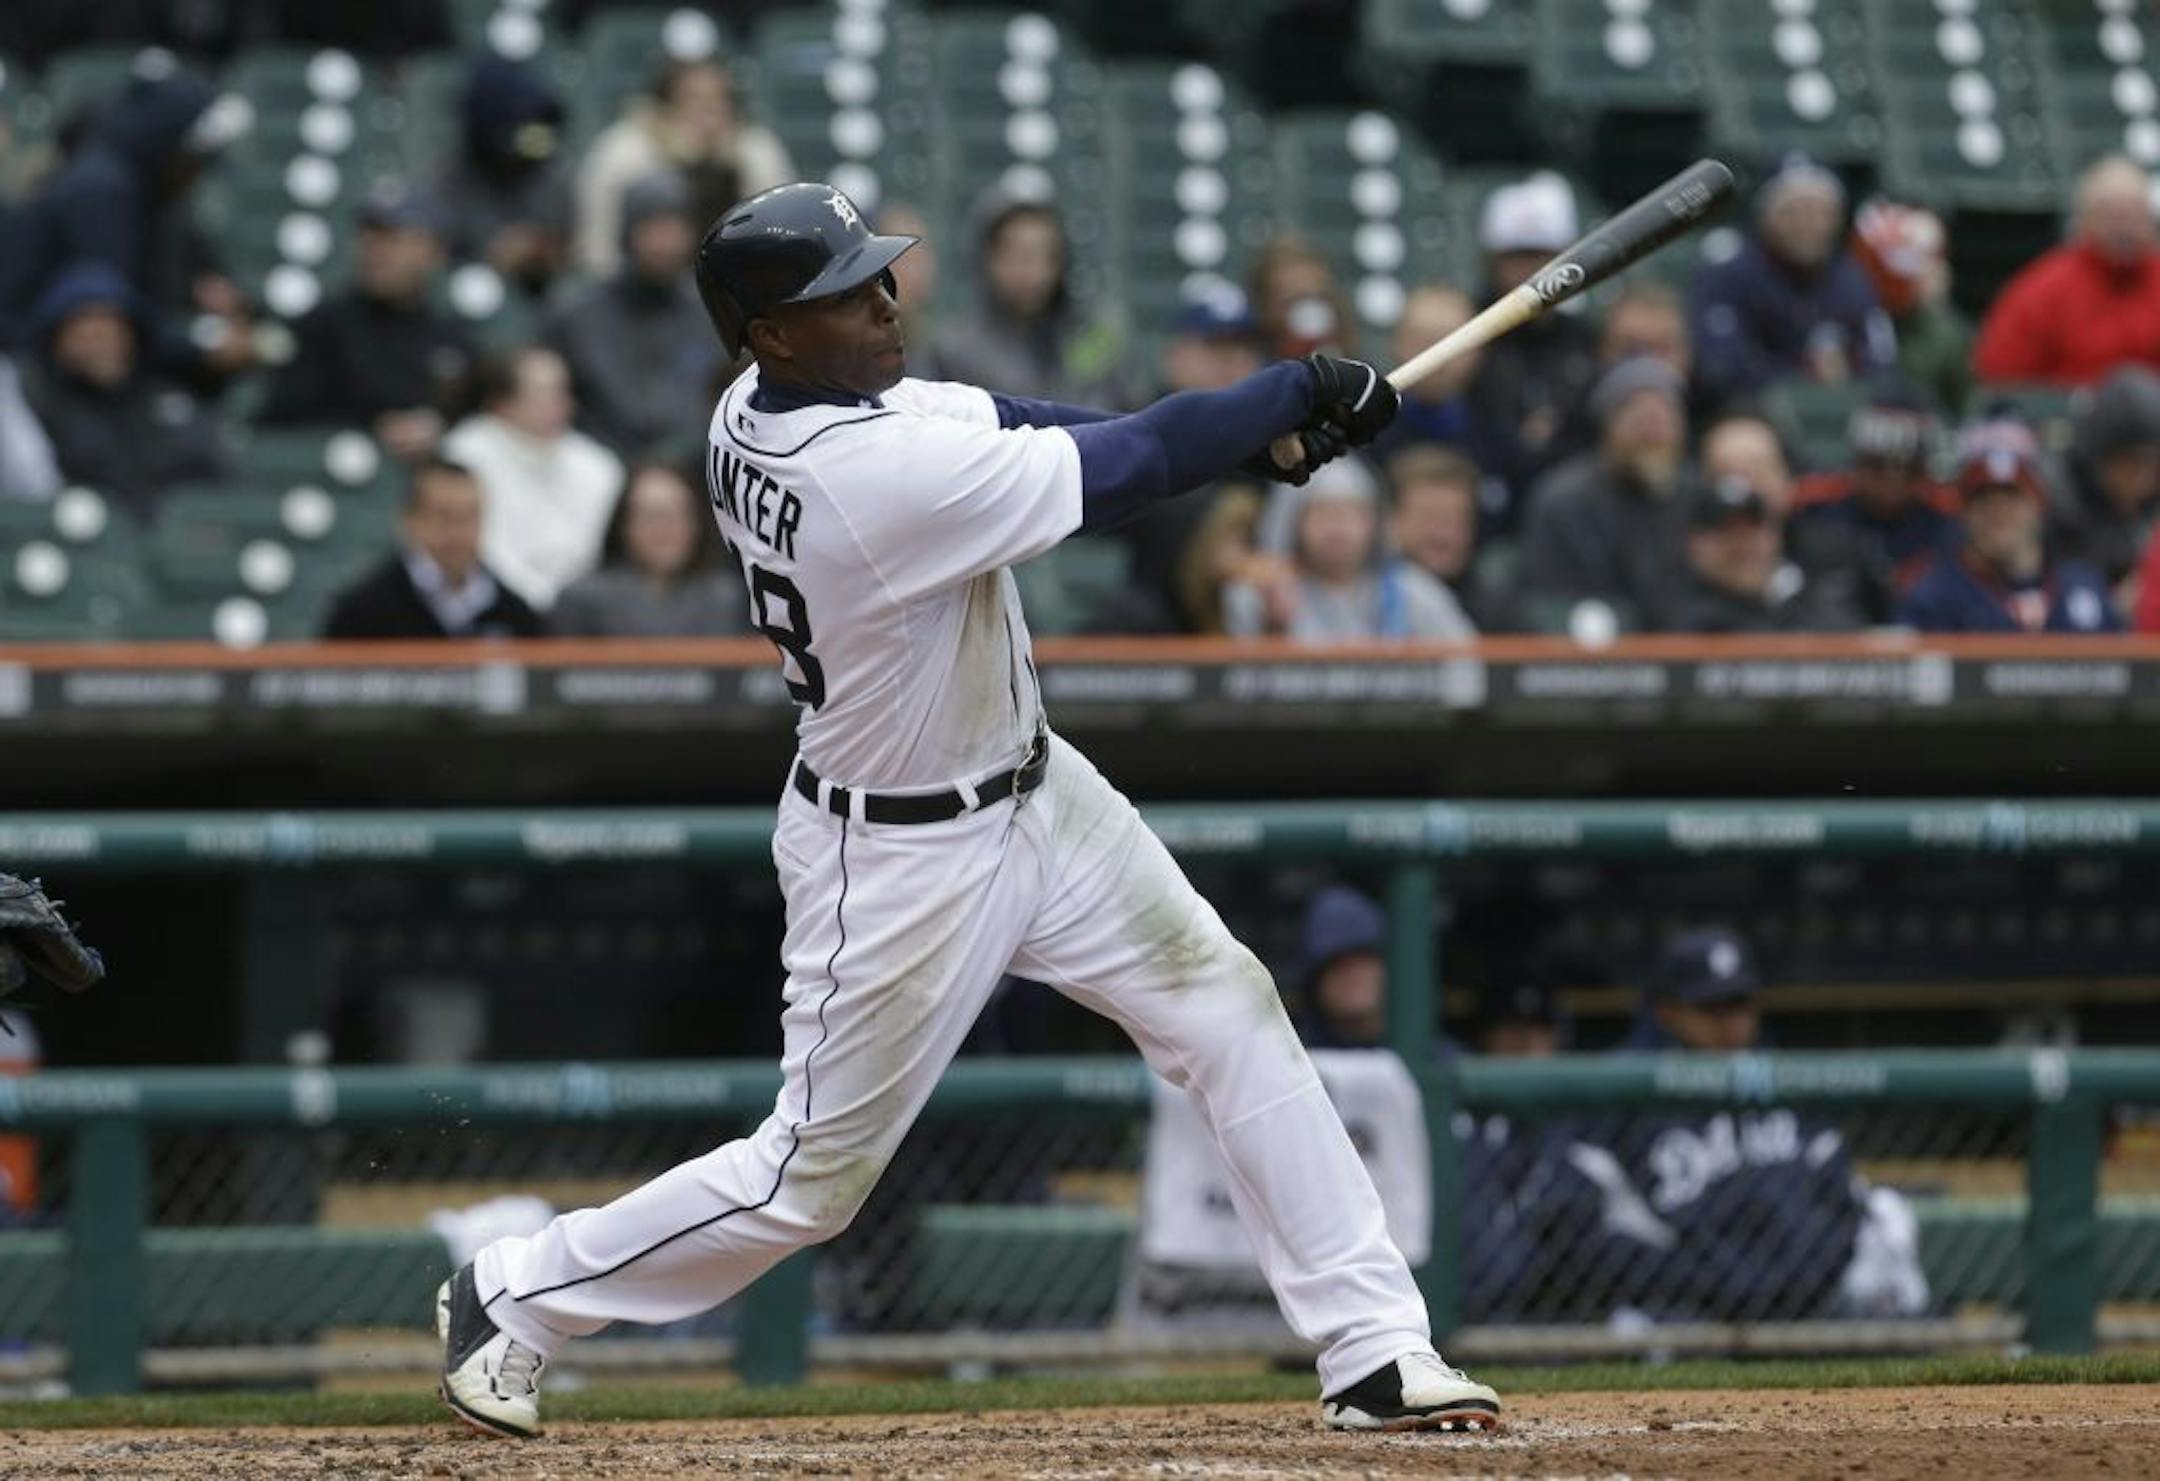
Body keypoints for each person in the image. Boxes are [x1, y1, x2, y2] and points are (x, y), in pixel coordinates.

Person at [433, 180, 1499, 1440]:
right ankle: (517, 1288)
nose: (884, 301)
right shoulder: (861, 476)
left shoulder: (767, 404)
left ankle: (1373, 1340)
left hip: (1036, 789)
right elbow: (1132, 461)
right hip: (898, 852)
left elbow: (1019, 417)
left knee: (1226, 1003)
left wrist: (1250, 447)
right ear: (772, 331)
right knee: (807, 1183)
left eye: (878, 275)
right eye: (844, 293)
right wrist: (1295, 392)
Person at [1567, 927, 1865, 1323]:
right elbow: (1599, 1229)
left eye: (1739, 1004)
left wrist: (1798, 1280)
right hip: (1679, 1306)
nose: (1731, 1023)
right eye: (1711, 1007)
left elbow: (1838, 1204)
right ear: (1666, 1011)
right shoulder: (1621, 1098)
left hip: (1807, 1300)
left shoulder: (1787, 1085)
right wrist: (1714, 1283)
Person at [0, 62, 254, 379]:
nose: (194, 174)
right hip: (27, 370)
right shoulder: (100, 192)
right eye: (191, 159)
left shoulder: (137, 189)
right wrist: (199, 346)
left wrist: (195, 291)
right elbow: (108, 316)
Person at [260, 179, 476, 462]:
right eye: (367, 233)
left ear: (434, 252)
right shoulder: (322, 328)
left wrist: (441, 430)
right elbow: (280, 429)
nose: (375, 249)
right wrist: (367, 434)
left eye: (392, 236)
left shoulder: (452, 338)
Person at [1688, 154, 1894, 406]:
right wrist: (1806, 376)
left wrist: (1848, 382)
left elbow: (1881, 366)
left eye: (1820, 212)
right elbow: (1723, 368)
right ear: (1765, 216)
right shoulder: (1730, 274)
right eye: (1792, 211)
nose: (1806, 223)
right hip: (1752, 417)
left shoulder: (1852, 280)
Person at [544, 173, 724, 460]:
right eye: (652, 229)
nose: (664, 244)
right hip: (596, 469)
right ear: (627, 234)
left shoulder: (713, 310)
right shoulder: (575, 312)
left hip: (694, 472)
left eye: (674, 229)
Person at [18, 262, 224, 513]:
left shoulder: (169, 400)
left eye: (109, 331)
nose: (100, 345)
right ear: (59, 342)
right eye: (85, 334)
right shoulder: (34, 404)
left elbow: (216, 476)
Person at [1517, 355, 1696, 634]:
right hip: (1596, 658)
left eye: (1662, 421)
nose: (1652, 435)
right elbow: (1555, 605)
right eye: (1639, 423)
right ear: (1609, 425)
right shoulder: (1565, 500)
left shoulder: (1696, 494)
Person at [573, 58, 794, 280]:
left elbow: (779, 242)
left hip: (731, 289)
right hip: (640, 291)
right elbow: (598, 246)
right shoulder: (626, 149)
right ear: (665, 103)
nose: (708, 110)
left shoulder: (754, 150)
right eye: (693, 98)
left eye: (718, 99)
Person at [1898, 418, 2121, 634]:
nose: (1998, 512)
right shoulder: (1934, 599)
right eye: (1984, 500)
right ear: (1965, 512)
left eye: (2011, 498)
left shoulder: (2082, 587)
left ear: (2038, 503)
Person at [443, 347, 625, 611]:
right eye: (545, 392)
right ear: (501, 403)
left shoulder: (598, 464)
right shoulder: (466, 454)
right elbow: (479, 548)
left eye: (563, 390)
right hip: (499, 608)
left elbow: (607, 553)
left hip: (583, 614)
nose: (562, 402)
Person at [1223, 457, 1478, 643]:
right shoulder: (1255, 593)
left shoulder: (1412, 591)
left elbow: (1466, 666)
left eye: (1351, 513)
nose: (1338, 527)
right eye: (1323, 512)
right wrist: (1273, 629)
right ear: (1293, 522)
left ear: (1375, 523)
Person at [1465, 174, 1602, 513]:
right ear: (1492, 263)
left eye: (1543, 255)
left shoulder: (1586, 340)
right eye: (1517, 256)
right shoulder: (1468, 335)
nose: (1532, 270)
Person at [1974, 156, 2160, 387]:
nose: (2124, 230)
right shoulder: (2043, 291)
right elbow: (2002, 376)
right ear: (2085, 220)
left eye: (2134, 217)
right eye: (2112, 217)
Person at [928, 192, 1126, 404]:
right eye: (1017, 255)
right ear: (989, 260)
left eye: (1044, 255)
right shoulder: (954, 350)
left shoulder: (1094, 338)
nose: (1031, 270)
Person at [1786, 386, 1956, 623]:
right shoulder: (1814, 504)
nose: (1891, 481)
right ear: (1857, 464)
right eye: (1877, 466)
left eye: (1907, 470)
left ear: (1924, 472)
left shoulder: (1949, 514)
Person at [323, 458, 544, 640]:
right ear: (410, 521)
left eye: (469, 517)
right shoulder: (364, 610)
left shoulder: (514, 613)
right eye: (444, 517)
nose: (457, 532)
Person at [548, 462, 747, 638]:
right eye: (651, 516)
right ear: (624, 525)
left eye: (678, 514)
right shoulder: (582, 601)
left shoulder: (729, 598)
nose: (665, 529)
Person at [439, 54, 573, 297]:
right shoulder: (449, 184)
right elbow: (438, 279)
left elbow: (580, 260)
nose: (532, 139)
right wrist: (490, 261)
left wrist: (545, 251)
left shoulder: (552, 176)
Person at [1671, 476, 1859, 634]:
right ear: (1696, 545)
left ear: (1775, 537)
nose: (1744, 546)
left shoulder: (1804, 596)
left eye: (1753, 531)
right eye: (1728, 533)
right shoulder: (1682, 612)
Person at [2053, 365, 2160, 615]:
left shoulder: (2151, 507)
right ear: (2101, 457)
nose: (2143, 480)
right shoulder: (2062, 509)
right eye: (2132, 465)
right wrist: (2111, 606)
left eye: (2153, 467)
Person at [1850, 197, 1971, 415]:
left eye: (1937, 261)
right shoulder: (1848, 318)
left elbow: (1965, 406)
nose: (1939, 274)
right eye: (1923, 262)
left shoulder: (1948, 333)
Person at [1385, 444, 1503, 631]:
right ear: (1392, 520)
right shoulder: (1361, 599)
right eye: (1429, 517)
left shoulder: (1496, 609)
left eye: (1455, 519)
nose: (1443, 535)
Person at [1370, 281, 1479, 462]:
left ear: (1477, 351)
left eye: (1454, 343)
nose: (1437, 358)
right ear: (1396, 343)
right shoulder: (1362, 435)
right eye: (1422, 340)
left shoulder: (1500, 438)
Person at [1293, 886, 1388, 1050]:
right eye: (1335, 962)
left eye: (1362, 956)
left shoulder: (1431, 1051)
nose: (1352, 972)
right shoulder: (1293, 1058)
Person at [1247, 234, 1357, 361]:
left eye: (1320, 298)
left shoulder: (1359, 372)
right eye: (1293, 301)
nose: (1309, 311)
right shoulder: (1250, 373)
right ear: (1265, 307)